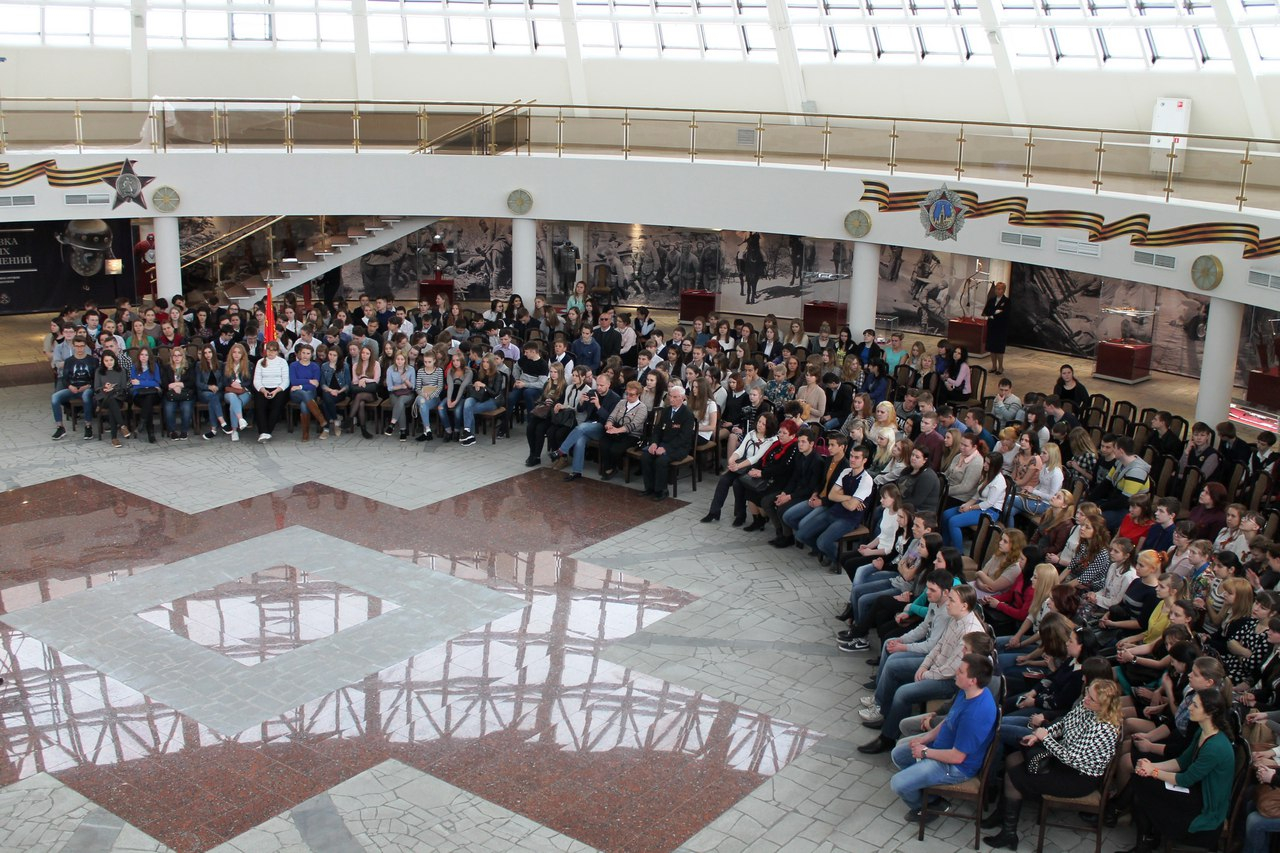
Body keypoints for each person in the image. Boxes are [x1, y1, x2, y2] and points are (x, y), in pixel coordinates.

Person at [983, 679, 1122, 850]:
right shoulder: (1086, 707)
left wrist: (1046, 738)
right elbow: (1064, 725)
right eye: (1087, 692)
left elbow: (1071, 758)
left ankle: (1009, 833)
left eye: (1091, 698)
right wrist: (1038, 735)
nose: (1086, 698)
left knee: (1013, 777)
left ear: (1103, 705)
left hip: (1077, 777)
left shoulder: (1104, 728)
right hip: (1063, 759)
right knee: (1013, 759)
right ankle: (1001, 814)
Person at [888, 653, 998, 821]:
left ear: (972, 680)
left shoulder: (975, 715)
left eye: (960, 671)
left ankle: (925, 808)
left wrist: (925, 752)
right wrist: (925, 739)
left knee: (898, 783)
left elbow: (957, 757)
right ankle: (932, 798)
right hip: (941, 748)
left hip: (955, 767)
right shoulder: (966, 692)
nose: (956, 672)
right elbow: (949, 720)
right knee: (898, 754)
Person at [1126, 688, 1236, 852]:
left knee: (1145, 785)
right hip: (1195, 788)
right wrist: (1151, 766)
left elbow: (1185, 779)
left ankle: (1145, 840)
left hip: (1205, 803)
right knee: (1141, 779)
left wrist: (1153, 772)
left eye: (1195, 705)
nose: (1189, 707)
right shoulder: (1203, 731)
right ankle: (1146, 840)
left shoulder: (1215, 747)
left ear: (1209, 713)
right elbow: (1182, 761)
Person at [554, 373, 620, 479]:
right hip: (589, 424)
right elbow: (581, 410)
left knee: (581, 427)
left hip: (602, 427)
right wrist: (581, 402)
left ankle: (560, 451)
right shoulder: (592, 392)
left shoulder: (615, 398)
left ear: (608, 385)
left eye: (602, 385)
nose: (598, 387)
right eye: (597, 385)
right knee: (579, 441)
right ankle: (577, 472)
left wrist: (598, 406)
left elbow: (610, 419)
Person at [640, 383, 696, 501]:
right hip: (662, 444)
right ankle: (649, 487)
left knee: (661, 460)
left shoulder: (687, 415)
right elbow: (657, 430)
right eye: (670, 396)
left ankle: (661, 490)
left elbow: (683, 437)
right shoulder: (666, 411)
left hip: (679, 448)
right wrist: (654, 443)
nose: (672, 399)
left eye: (675, 397)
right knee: (646, 456)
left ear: (682, 398)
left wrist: (666, 448)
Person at [598, 380, 650, 481]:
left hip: (632, 435)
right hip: (616, 431)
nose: (628, 396)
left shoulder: (642, 408)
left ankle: (613, 467)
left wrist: (617, 430)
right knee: (603, 443)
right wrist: (609, 424)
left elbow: (633, 425)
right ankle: (609, 467)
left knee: (615, 449)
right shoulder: (621, 402)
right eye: (627, 393)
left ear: (638, 395)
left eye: (631, 395)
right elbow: (612, 415)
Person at [50, 337, 98, 441]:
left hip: (87, 388)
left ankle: (88, 426)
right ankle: (60, 427)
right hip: (73, 388)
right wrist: (69, 386)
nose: (79, 349)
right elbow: (65, 378)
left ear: (85, 346)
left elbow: (96, 378)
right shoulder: (69, 361)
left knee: (86, 396)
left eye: (82, 346)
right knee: (55, 397)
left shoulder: (93, 360)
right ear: (73, 346)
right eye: (77, 346)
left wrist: (88, 386)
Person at [251, 340, 289, 442]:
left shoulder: (282, 362)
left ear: (277, 351)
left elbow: (286, 380)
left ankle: (267, 431)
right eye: (269, 350)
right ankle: (263, 431)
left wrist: (276, 391)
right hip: (263, 388)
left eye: (273, 350)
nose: (271, 352)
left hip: (278, 388)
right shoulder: (260, 362)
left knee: (276, 406)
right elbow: (256, 380)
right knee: (260, 406)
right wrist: (263, 390)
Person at [93, 350, 130, 448]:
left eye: (111, 360)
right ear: (103, 361)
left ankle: (114, 437)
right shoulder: (99, 371)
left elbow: (123, 388)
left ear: (115, 360)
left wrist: (113, 388)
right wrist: (104, 387)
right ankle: (122, 426)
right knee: (111, 401)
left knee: (113, 403)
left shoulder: (121, 370)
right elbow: (96, 388)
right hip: (103, 397)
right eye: (106, 361)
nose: (109, 362)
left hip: (117, 397)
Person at [161, 346, 196, 441]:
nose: (177, 357)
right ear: (171, 357)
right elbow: (163, 383)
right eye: (174, 355)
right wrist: (172, 386)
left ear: (183, 356)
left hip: (185, 393)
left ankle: (184, 431)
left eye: (179, 355)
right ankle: (172, 431)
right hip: (170, 394)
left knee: (186, 408)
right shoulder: (166, 367)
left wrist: (180, 384)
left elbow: (192, 382)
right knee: (169, 408)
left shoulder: (189, 367)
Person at [222, 342, 254, 442]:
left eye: (239, 352)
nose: (236, 354)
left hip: (244, 391)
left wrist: (241, 385)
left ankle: (234, 430)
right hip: (230, 391)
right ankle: (240, 419)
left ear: (243, 354)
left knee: (234, 404)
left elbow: (250, 381)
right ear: (231, 353)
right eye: (234, 352)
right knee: (232, 397)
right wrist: (232, 383)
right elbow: (223, 381)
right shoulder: (225, 365)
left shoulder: (249, 365)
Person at [982, 282, 1011, 375]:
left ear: (1004, 290)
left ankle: (1000, 367)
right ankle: (993, 366)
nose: (997, 291)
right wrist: (995, 312)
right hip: (991, 327)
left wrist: (993, 313)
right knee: (992, 348)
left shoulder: (1007, 301)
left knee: (999, 349)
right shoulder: (991, 300)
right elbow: (986, 311)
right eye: (996, 289)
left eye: (999, 289)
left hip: (1001, 328)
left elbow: (1005, 314)